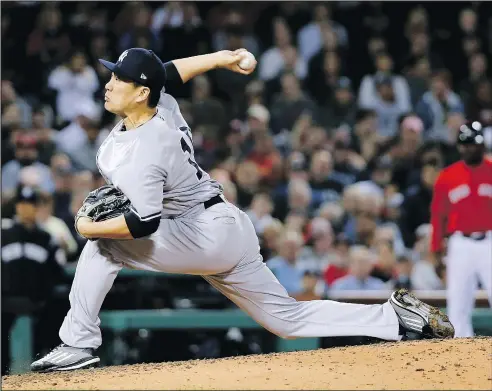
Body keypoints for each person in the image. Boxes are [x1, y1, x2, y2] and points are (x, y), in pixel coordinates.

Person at [31, 47, 454, 372]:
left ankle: (79, 343)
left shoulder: (144, 149)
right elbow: (170, 72)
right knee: (286, 320)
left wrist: (88, 226)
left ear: (141, 93)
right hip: (224, 225)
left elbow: (143, 223)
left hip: (202, 233)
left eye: (118, 79)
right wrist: (221, 57)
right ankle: (394, 319)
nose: (108, 83)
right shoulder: (162, 106)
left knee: (103, 246)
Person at [430, 120, 492, 338]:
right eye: (464, 144)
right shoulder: (447, 177)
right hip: (460, 244)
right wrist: (437, 250)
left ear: (482, 144)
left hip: (489, 242)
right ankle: (462, 358)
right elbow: (438, 216)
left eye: (473, 144)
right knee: (457, 302)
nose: (469, 148)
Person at [2, 186, 66, 375]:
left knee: (58, 311)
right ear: (17, 207)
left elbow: (57, 271)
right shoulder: (3, 236)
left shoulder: (46, 238)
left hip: (40, 302)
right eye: (22, 204)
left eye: (30, 205)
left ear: (37, 208)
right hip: (5, 302)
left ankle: (50, 370)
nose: (26, 209)